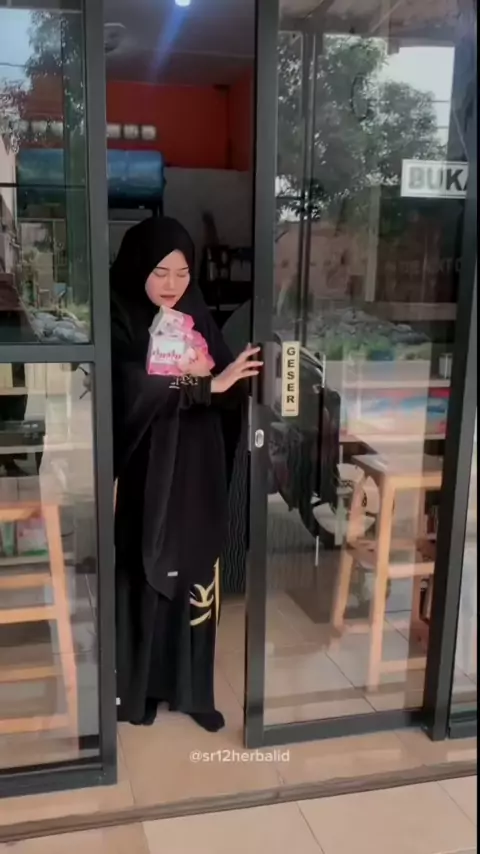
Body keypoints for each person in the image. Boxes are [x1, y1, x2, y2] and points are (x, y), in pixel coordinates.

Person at [110, 217, 261, 730]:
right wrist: (198, 386)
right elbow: (131, 392)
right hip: (148, 471)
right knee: (147, 570)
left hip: (195, 469)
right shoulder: (121, 318)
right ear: (138, 269)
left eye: (182, 272)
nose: (172, 284)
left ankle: (193, 691)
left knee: (195, 571)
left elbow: (226, 387)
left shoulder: (196, 316)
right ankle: (141, 692)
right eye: (160, 272)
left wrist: (224, 381)